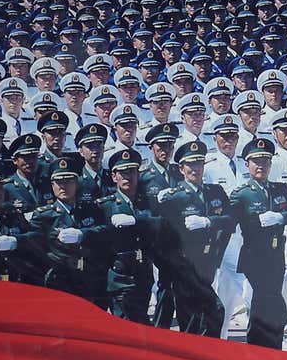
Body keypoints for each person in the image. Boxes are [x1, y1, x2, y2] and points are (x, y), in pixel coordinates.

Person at [228, 138, 287, 349]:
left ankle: (270, 345)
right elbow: (227, 222)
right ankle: (260, 346)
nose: (260, 165)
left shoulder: (281, 189)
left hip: (276, 254)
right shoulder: (241, 194)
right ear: (247, 165)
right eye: (255, 161)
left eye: (265, 161)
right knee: (267, 301)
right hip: (255, 255)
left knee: (269, 302)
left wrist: (281, 217)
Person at [153, 140, 235, 337]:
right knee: (200, 316)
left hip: (208, 263)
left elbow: (231, 220)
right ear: (181, 168)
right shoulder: (174, 197)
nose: (195, 169)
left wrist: (208, 221)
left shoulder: (215, 191)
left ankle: (203, 359)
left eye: (199, 164)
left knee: (204, 317)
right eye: (190, 165)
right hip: (185, 267)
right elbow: (160, 235)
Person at [28, 153, 115, 307]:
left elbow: (105, 232)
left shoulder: (91, 208)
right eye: (59, 182)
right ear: (52, 185)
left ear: (77, 182)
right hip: (61, 281)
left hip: (92, 278)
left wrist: (84, 235)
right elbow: (36, 249)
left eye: (68, 181)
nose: (64, 186)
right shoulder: (44, 216)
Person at [97, 147, 160, 324]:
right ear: (114, 177)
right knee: (130, 324)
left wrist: (136, 220)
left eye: (132, 171)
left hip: (144, 272)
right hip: (120, 275)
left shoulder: (146, 201)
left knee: (139, 320)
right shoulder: (106, 205)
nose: (128, 177)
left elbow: (162, 223)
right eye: (123, 173)